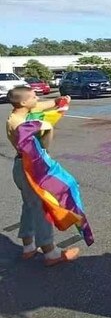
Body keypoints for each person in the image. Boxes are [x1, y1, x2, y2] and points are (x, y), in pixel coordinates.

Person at [6, 86, 80, 267]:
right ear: (24, 102)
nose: (37, 98)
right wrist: (48, 128)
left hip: (21, 166)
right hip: (30, 168)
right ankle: (50, 253)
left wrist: (58, 102)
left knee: (30, 206)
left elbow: (39, 106)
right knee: (41, 207)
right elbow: (44, 142)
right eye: (33, 96)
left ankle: (28, 246)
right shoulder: (20, 123)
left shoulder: (19, 112)